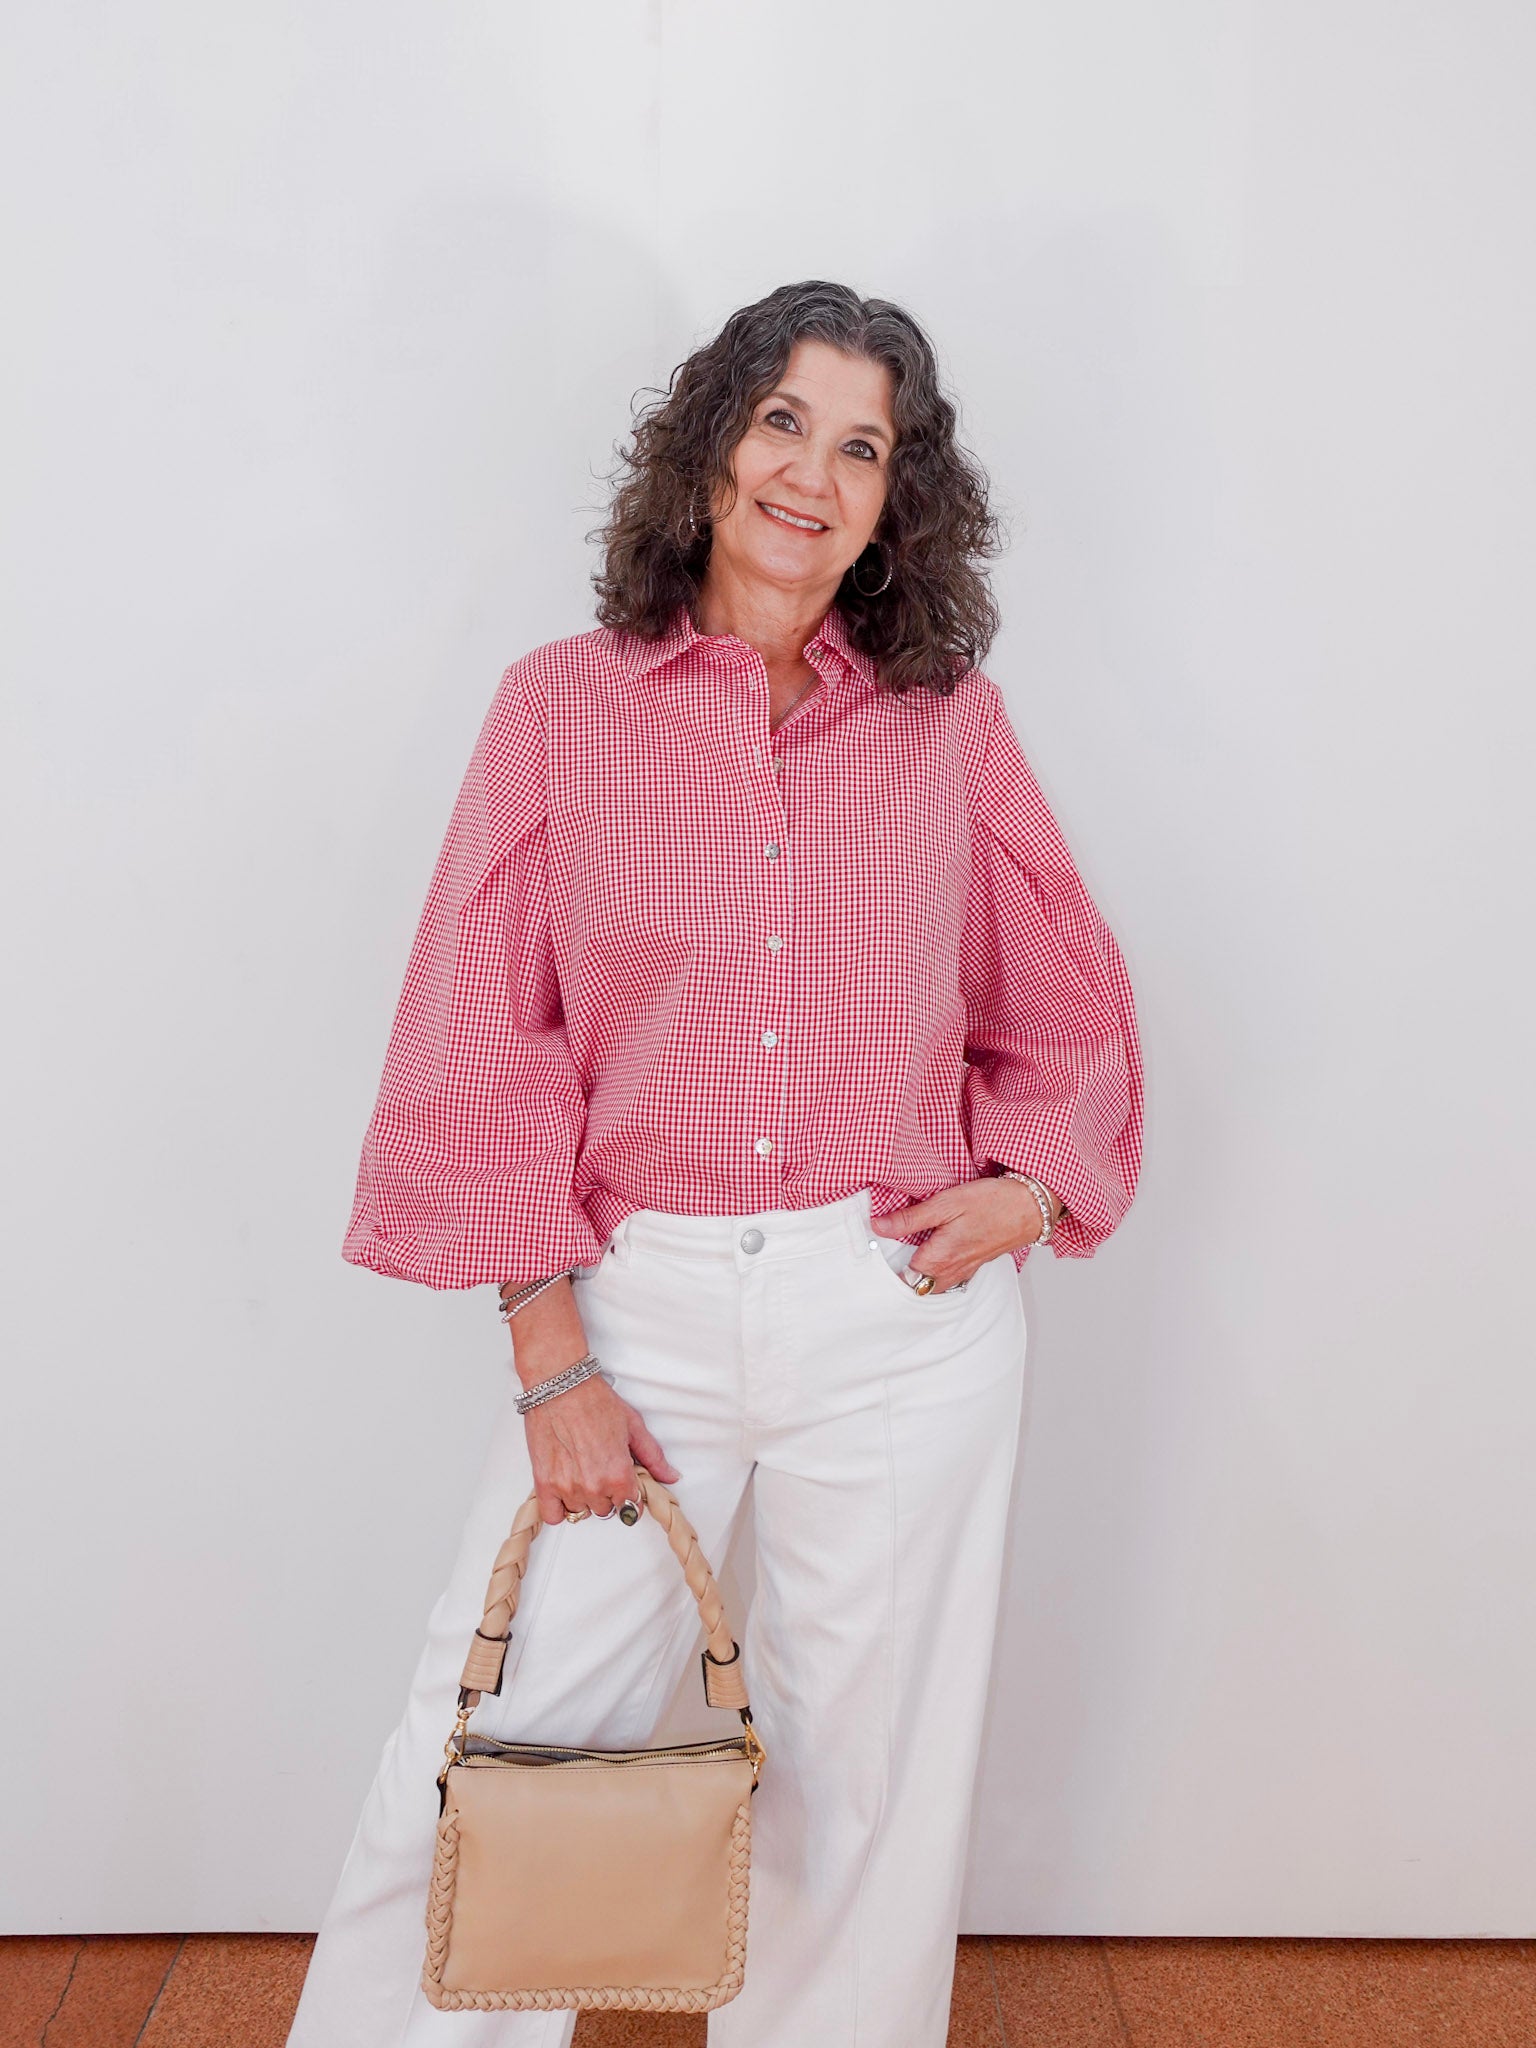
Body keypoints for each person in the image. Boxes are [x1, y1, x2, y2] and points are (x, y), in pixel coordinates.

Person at [286, 278, 1143, 2048]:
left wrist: (1034, 1186)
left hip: (897, 1315)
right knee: (490, 1751)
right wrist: (552, 1363)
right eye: (783, 422)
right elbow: (476, 1031)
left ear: (899, 501)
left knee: (863, 1817)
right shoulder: (561, 709)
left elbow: (1060, 986)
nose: (813, 475)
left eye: (863, 446)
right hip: (639, 1311)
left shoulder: (944, 726)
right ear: (712, 440)